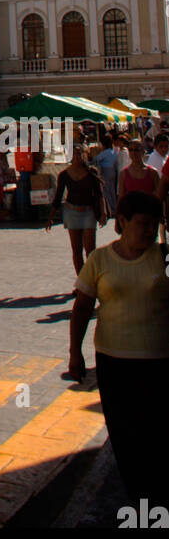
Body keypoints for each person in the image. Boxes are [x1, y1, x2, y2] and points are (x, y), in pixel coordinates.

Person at [67, 192, 169, 509]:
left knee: (156, 434)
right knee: (124, 435)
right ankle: (139, 498)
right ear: (122, 221)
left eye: (154, 224)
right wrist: (75, 353)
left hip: (158, 362)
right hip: (112, 362)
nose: (149, 230)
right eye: (142, 223)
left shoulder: (163, 256)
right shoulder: (99, 260)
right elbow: (81, 308)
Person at [46, 143, 106, 275]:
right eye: (74, 153)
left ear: (85, 155)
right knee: (77, 250)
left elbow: (99, 195)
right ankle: (81, 281)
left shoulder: (92, 173)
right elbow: (58, 197)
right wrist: (50, 217)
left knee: (90, 250)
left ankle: (91, 280)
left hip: (89, 212)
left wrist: (103, 213)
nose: (77, 156)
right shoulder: (64, 175)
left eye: (80, 153)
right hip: (71, 212)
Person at [93, 133, 119, 218]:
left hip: (106, 171)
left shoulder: (105, 152)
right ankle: (115, 208)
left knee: (107, 191)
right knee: (112, 191)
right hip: (113, 171)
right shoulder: (114, 151)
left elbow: (96, 159)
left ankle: (110, 209)